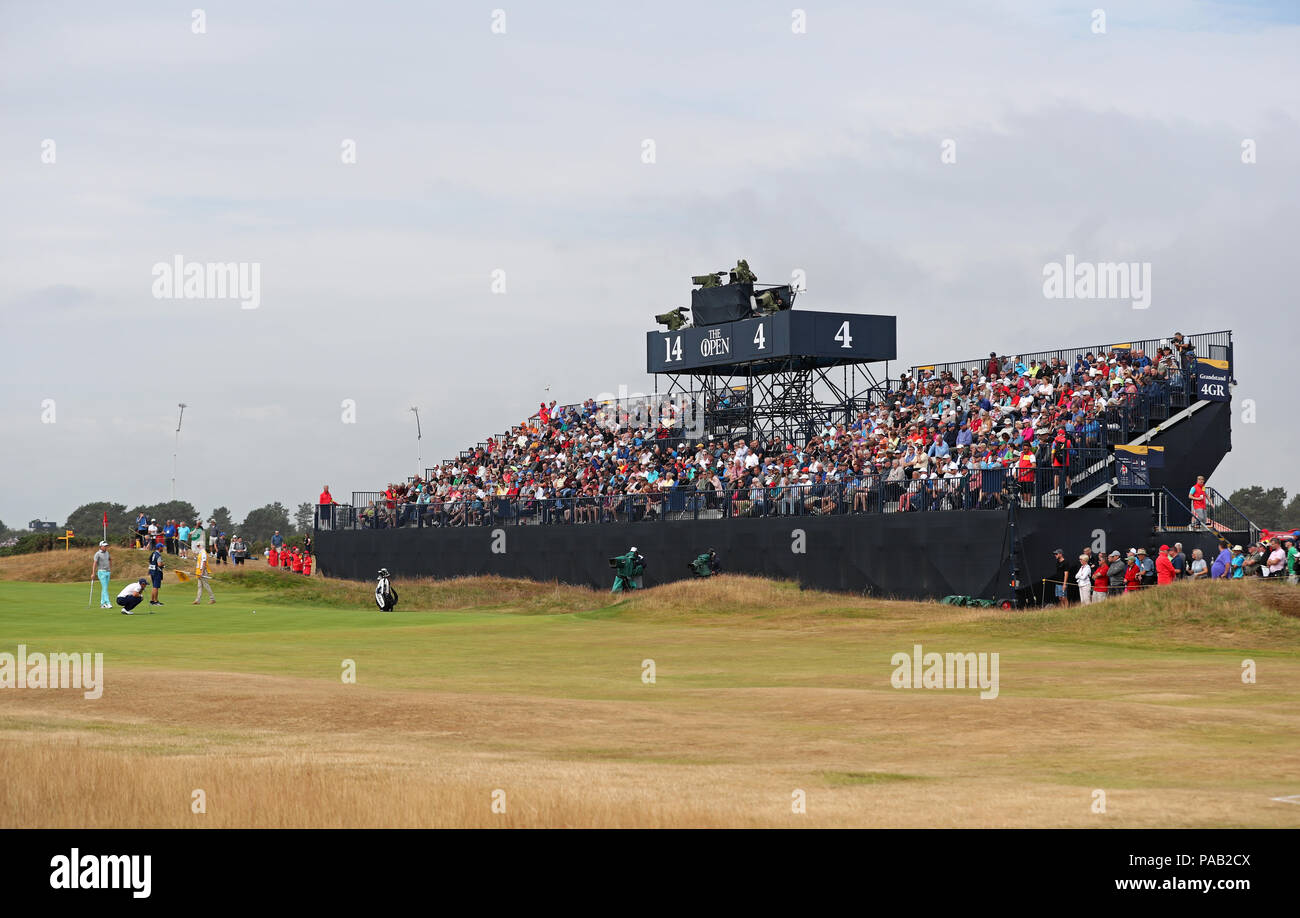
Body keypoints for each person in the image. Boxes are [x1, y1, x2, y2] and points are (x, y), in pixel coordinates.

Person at [92, 541, 113, 609]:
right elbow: (94, 563)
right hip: (101, 572)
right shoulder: (97, 554)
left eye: (106, 546)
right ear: (100, 546)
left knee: (104, 588)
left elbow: (110, 559)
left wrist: (110, 568)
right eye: (104, 546)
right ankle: (108, 603)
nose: (106, 547)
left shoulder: (107, 553)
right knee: (105, 588)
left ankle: (102, 604)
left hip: (107, 572)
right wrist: (93, 573)